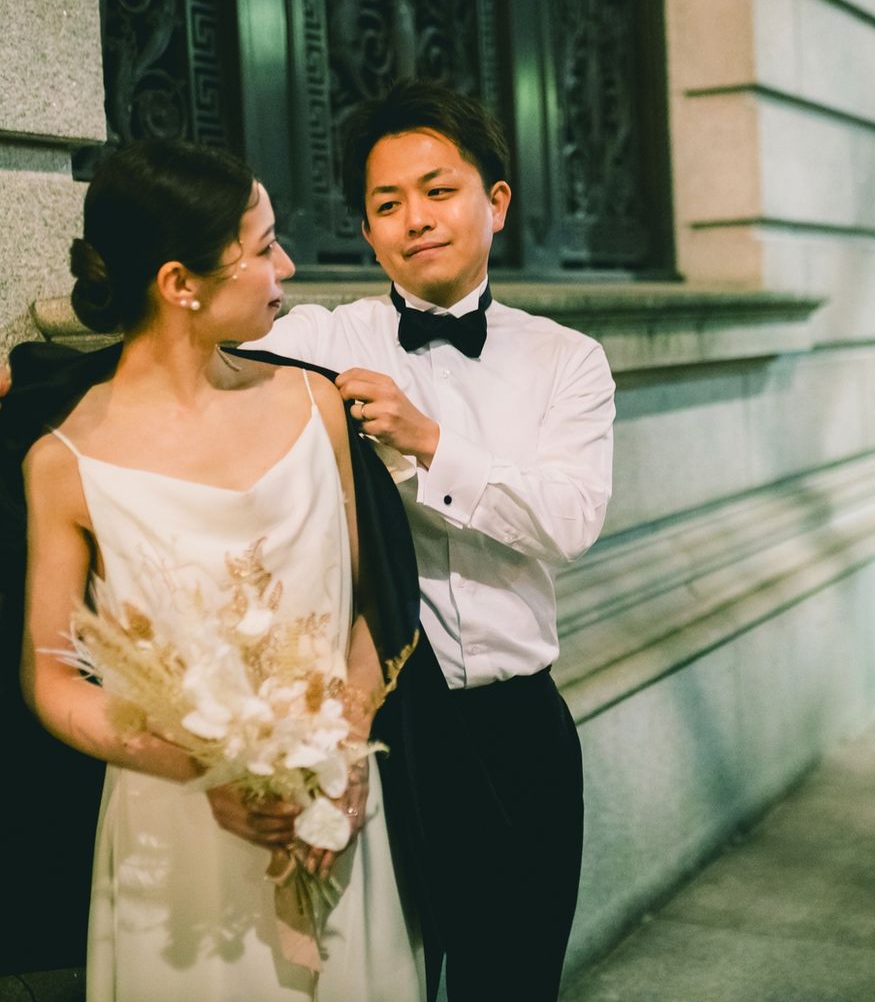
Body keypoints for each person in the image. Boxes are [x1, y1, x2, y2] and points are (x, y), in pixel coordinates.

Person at [17, 140, 424, 1000]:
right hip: (173, 837)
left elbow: (368, 604)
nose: (288, 265)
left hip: (334, 809)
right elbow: (50, 677)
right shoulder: (64, 461)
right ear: (180, 283)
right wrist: (199, 770)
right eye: (265, 245)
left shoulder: (315, 403)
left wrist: (347, 748)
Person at [243, 77, 616, 1001]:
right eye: (387, 203)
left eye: (439, 190)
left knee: (512, 985)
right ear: (367, 233)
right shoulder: (323, 337)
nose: (415, 218)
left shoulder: (566, 359)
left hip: (516, 730)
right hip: (381, 738)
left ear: (497, 202)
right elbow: (178, 369)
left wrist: (427, 444)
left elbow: (569, 519)